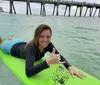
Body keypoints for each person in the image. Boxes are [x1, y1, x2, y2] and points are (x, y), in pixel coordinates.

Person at [0, 24, 84, 78]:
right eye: (42, 36)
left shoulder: (49, 45)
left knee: (15, 39)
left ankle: (12, 38)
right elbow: (28, 72)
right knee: (1, 42)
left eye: (48, 37)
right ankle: (7, 40)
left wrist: (70, 67)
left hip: (23, 42)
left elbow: (59, 56)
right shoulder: (32, 47)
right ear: (36, 37)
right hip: (12, 48)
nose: (45, 40)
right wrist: (48, 62)